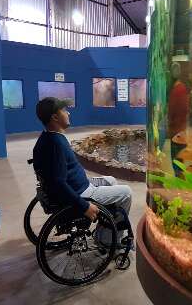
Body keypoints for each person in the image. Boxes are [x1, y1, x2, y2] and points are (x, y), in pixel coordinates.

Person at [33, 97, 132, 245]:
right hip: (82, 193)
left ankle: (106, 226)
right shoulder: (56, 144)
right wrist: (84, 206)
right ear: (55, 117)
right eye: (64, 111)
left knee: (111, 180)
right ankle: (106, 240)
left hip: (81, 185)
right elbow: (58, 183)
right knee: (126, 193)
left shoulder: (47, 138)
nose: (69, 114)